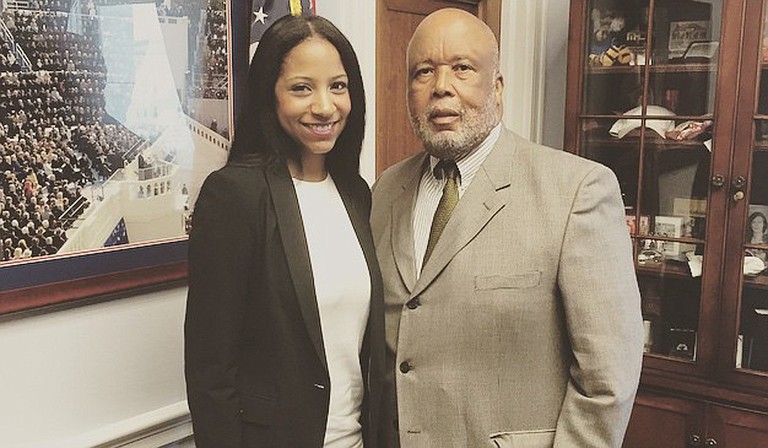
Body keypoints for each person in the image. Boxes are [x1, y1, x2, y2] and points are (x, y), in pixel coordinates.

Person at [370, 8, 644, 448]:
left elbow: (607, 378)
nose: (441, 87)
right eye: (424, 72)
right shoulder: (385, 190)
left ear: (497, 87)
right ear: (407, 92)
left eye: (462, 68)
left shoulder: (576, 191)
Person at [185, 14, 384, 448]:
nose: (325, 106)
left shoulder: (356, 192)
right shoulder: (234, 195)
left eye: (338, 85)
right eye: (301, 88)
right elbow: (210, 370)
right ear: (268, 98)